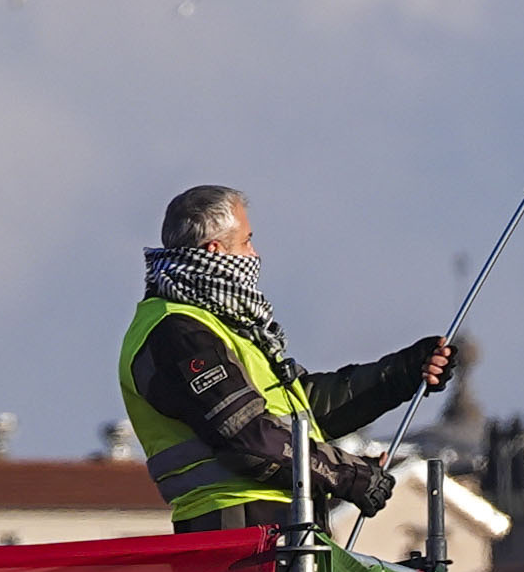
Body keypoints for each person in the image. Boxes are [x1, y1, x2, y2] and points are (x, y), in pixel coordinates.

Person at [113, 184, 449, 533]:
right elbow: (247, 435)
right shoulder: (178, 332)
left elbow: (305, 408)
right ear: (215, 251)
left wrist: (401, 374)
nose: (255, 254)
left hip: (280, 526)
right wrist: (349, 475)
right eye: (246, 241)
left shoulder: (221, 322)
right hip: (235, 531)